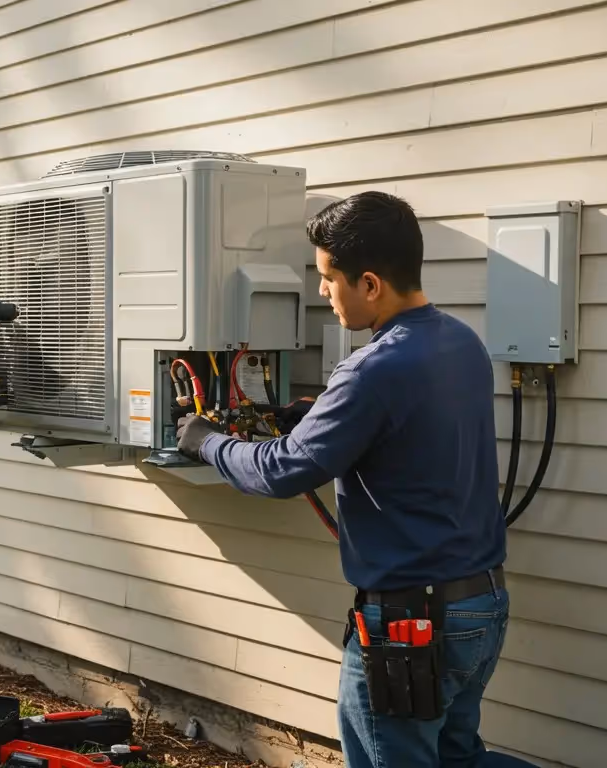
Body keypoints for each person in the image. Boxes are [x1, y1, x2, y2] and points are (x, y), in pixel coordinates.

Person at [173, 192, 533, 768]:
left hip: (410, 627)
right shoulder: (461, 343)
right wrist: (319, 415)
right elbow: (411, 429)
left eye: (327, 278)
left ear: (369, 284)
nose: (322, 292)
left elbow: (283, 471)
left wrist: (205, 442)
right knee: (460, 758)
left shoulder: (370, 371)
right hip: (481, 606)